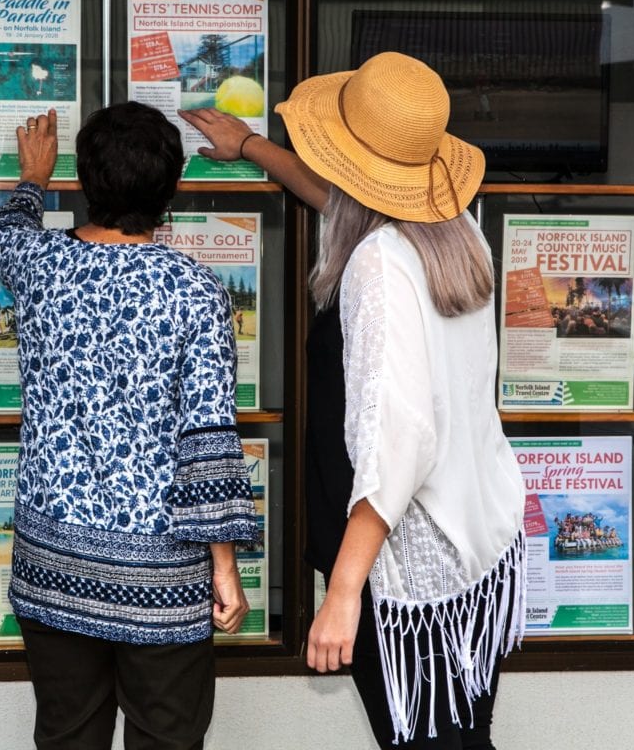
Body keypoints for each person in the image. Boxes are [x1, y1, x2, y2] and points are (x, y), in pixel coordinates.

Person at [181, 51, 527, 749]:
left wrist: (343, 591)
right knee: (468, 738)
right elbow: (343, 203)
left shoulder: (377, 264)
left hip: (408, 569)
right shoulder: (457, 229)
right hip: (479, 544)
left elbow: (400, 437)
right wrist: (251, 147)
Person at [0, 101, 259, 750]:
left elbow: (7, 229)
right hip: (161, 578)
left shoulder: (38, 265)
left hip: (55, 566)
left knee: (67, 737)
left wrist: (33, 177)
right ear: (171, 190)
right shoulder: (196, 290)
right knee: (167, 738)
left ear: (85, 181)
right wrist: (224, 565)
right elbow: (208, 437)